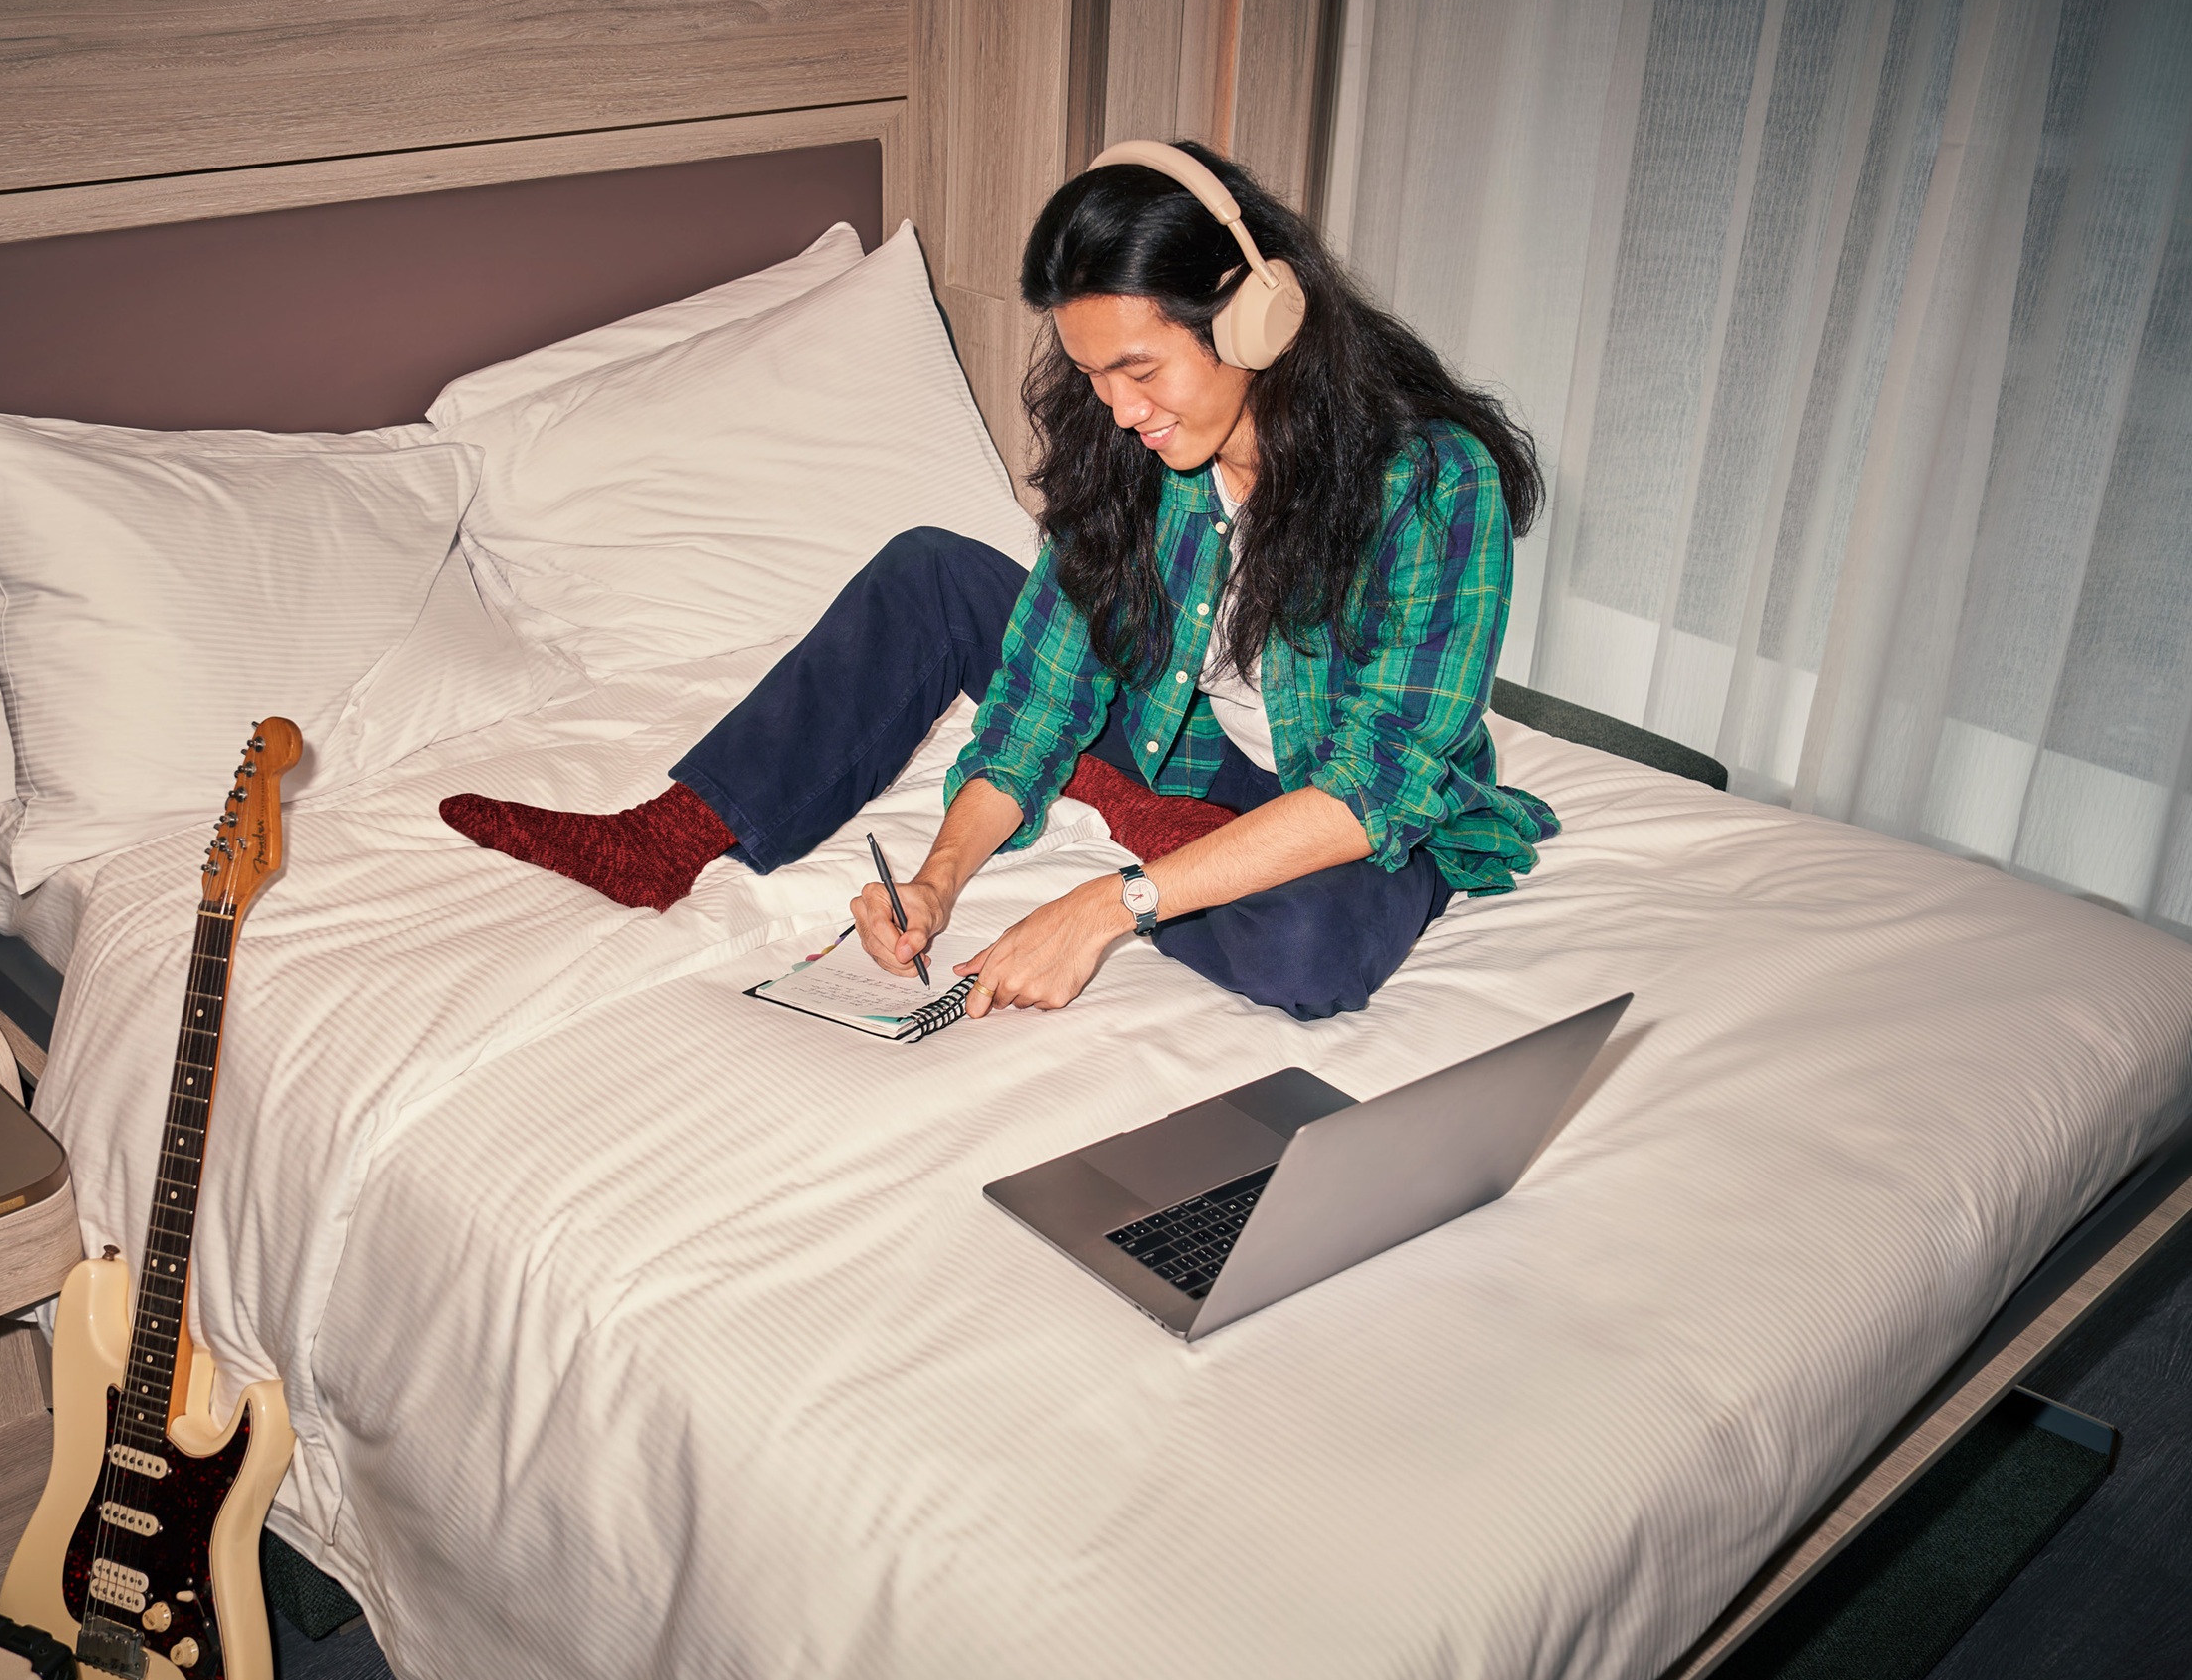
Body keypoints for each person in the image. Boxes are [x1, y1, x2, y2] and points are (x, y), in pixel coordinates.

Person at [439, 140, 1554, 1022]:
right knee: (932, 571)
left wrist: (1106, 907)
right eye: (1090, 372)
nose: (1118, 408)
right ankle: (667, 837)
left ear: (1256, 317)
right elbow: (1038, 696)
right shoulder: (1131, 450)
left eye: (1138, 367)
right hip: (1184, 747)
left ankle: (1154, 833)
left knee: (1309, 952)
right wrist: (937, 881)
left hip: (1337, 802)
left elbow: (1377, 789)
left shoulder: (1429, 484)